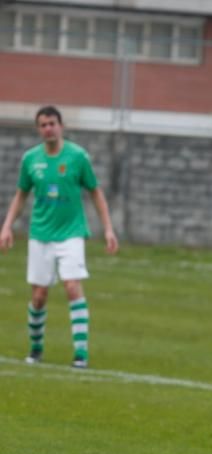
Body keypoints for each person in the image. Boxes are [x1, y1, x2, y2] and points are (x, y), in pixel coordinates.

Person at [0, 106, 119, 369]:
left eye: (52, 123)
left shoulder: (78, 157)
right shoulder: (30, 159)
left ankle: (80, 354)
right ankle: (36, 348)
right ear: (38, 129)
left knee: (72, 286)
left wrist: (108, 228)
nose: (48, 129)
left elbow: (95, 192)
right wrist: (7, 226)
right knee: (39, 295)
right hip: (40, 234)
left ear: (61, 125)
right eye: (42, 125)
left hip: (71, 233)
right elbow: (21, 194)